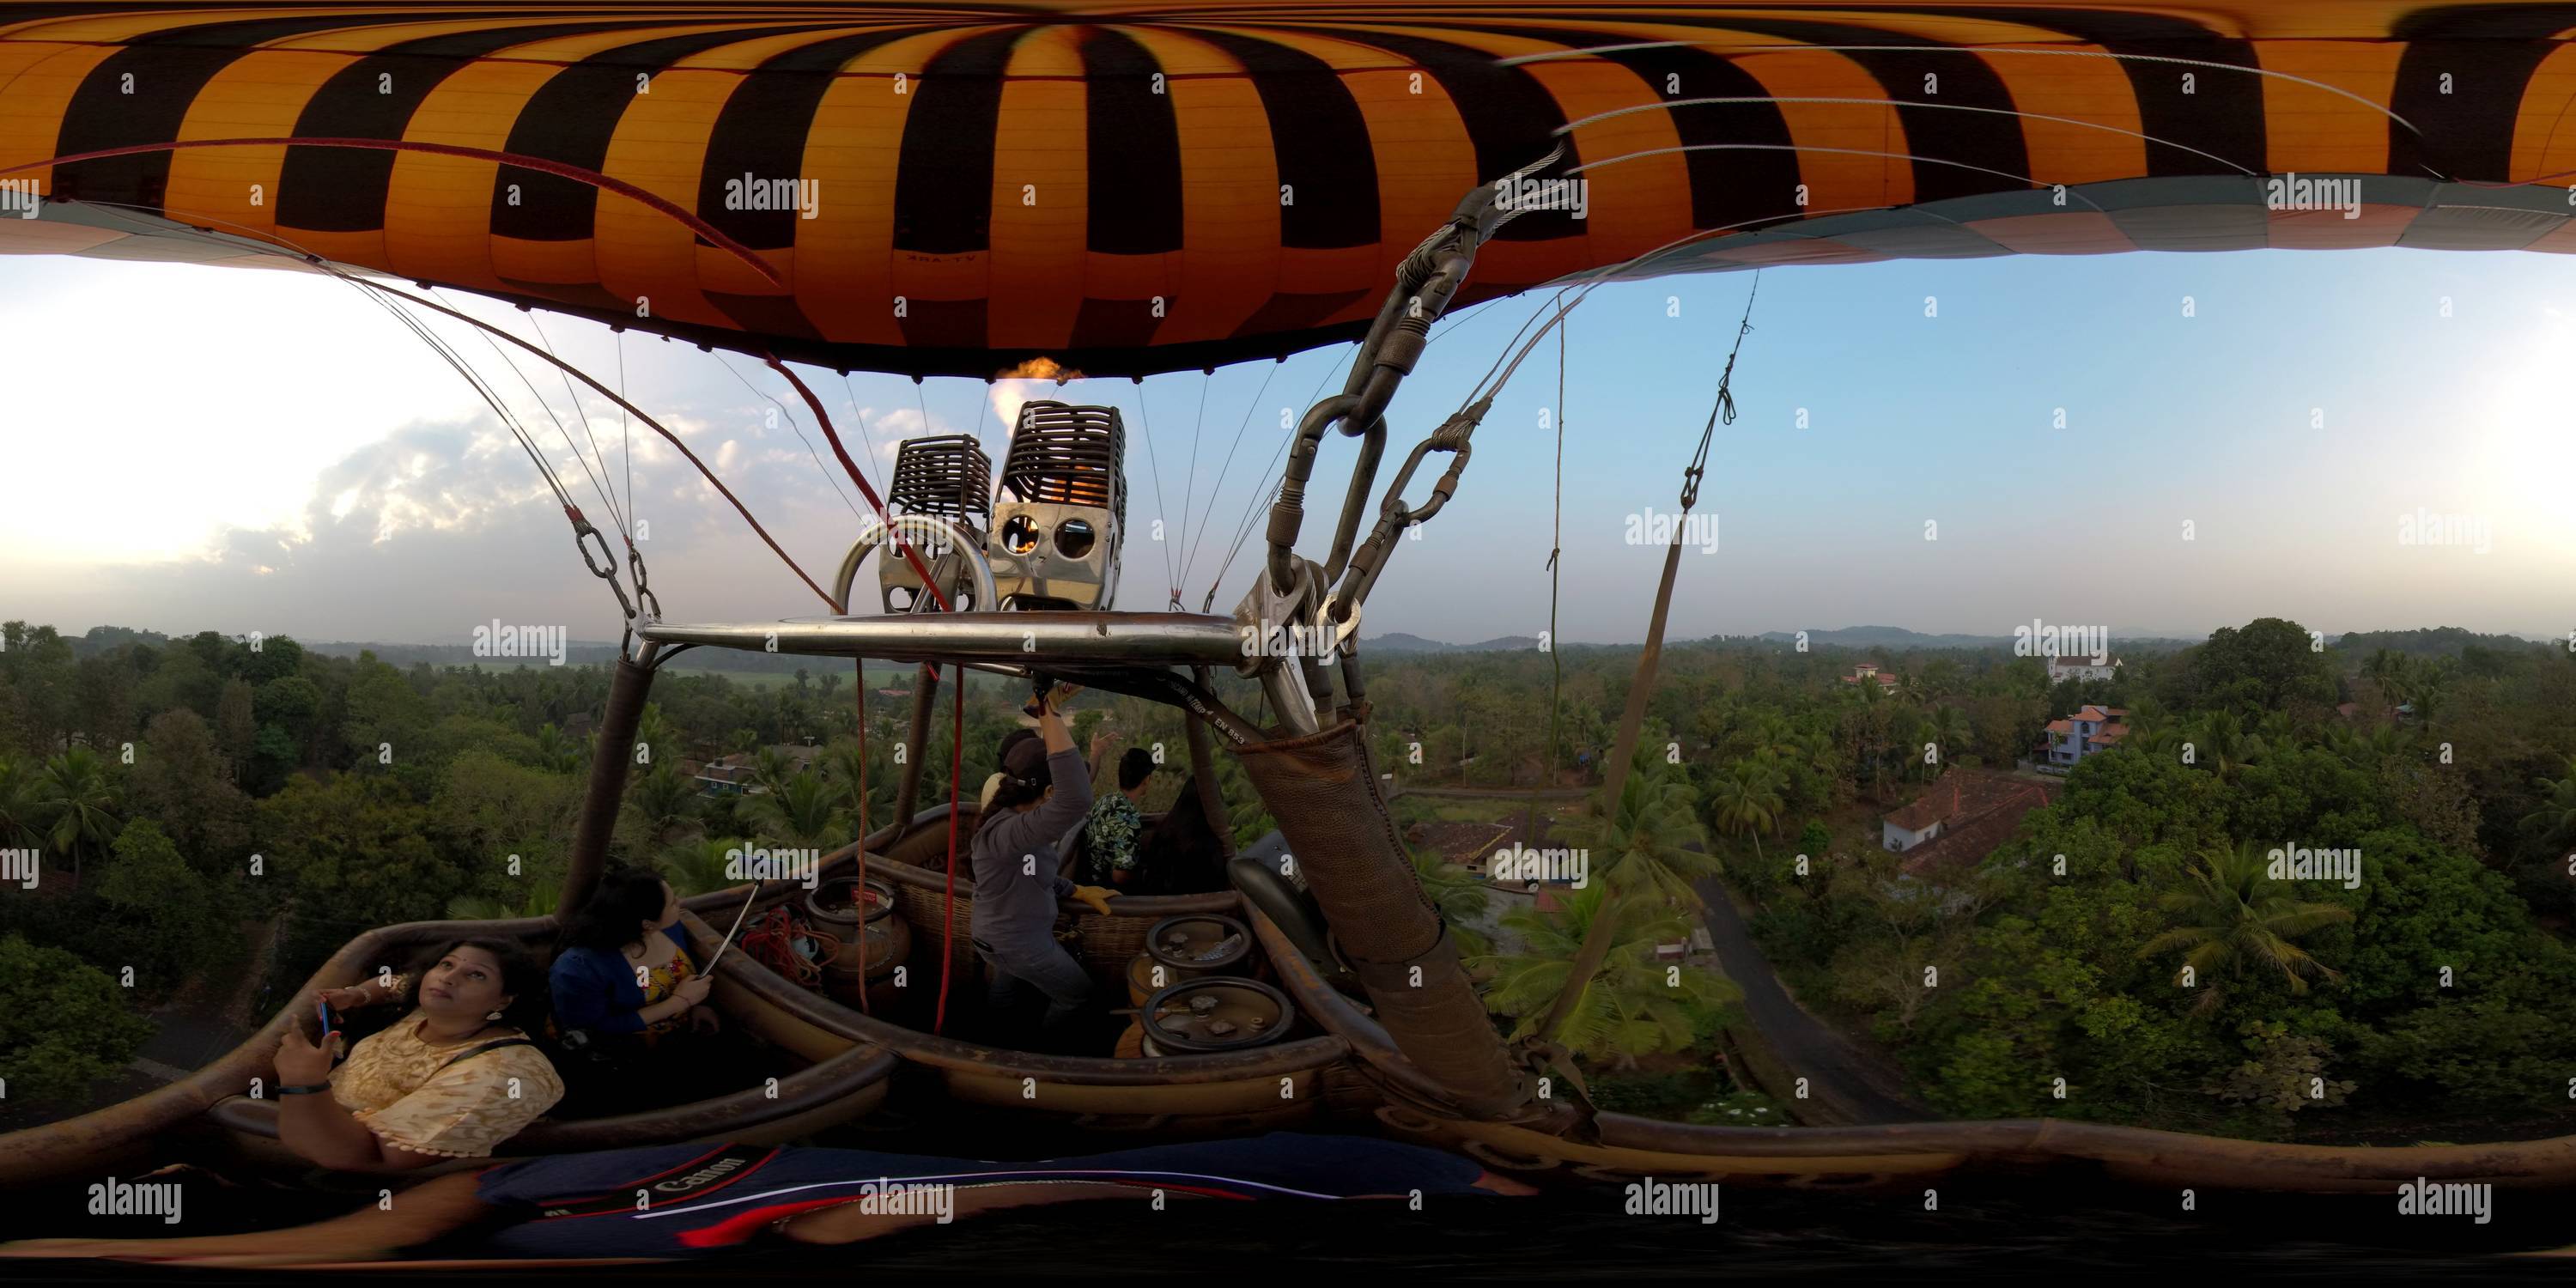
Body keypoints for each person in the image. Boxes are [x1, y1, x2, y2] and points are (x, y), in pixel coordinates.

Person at [0, 1133, 1536, 1265]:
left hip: (836, 1176)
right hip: (860, 1187)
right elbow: (836, 1221)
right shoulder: (524, 1215)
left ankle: (1463, 1183)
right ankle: (1468, 1188)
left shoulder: (527, 1175)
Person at [279, 939, 563, 1170]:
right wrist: (355, 995)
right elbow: (394, 983)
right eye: (445, 965)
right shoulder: (438, 1007)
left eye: (476, 975)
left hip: (334, 1170)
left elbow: (379, 1160)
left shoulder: (502, 1074)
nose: (449, 978)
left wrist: (303, 1082)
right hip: (309, 1114)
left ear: (504, 999)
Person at [970, 682, 1115, 1048]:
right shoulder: (1009, 832)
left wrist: (1074, 890)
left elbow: (1034, 876)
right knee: (1079, 995)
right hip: (1017, 941)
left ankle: (995, 1047)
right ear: (1048, 794)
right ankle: (1042, 1056)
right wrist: (1049, 710)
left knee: (1006, 989)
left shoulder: (1014, 825)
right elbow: (1078, 797)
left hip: (1000, 937)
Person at [548, 866, 728, 1114]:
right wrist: (678, 1003)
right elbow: (593, 1028)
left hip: (678, 1037)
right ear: (646, 924)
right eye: (673, 903)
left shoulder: (670, 928)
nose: (680, 903)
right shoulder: (579, 968)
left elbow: (687, 974)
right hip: (623, 1059)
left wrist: (698, 1005)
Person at [1078, 747, 1154, 889]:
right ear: (1146, 780)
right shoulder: (1129, 822)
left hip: (1088, 878)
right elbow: (1119, 877)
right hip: (1106, 891)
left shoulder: (1105, 800)